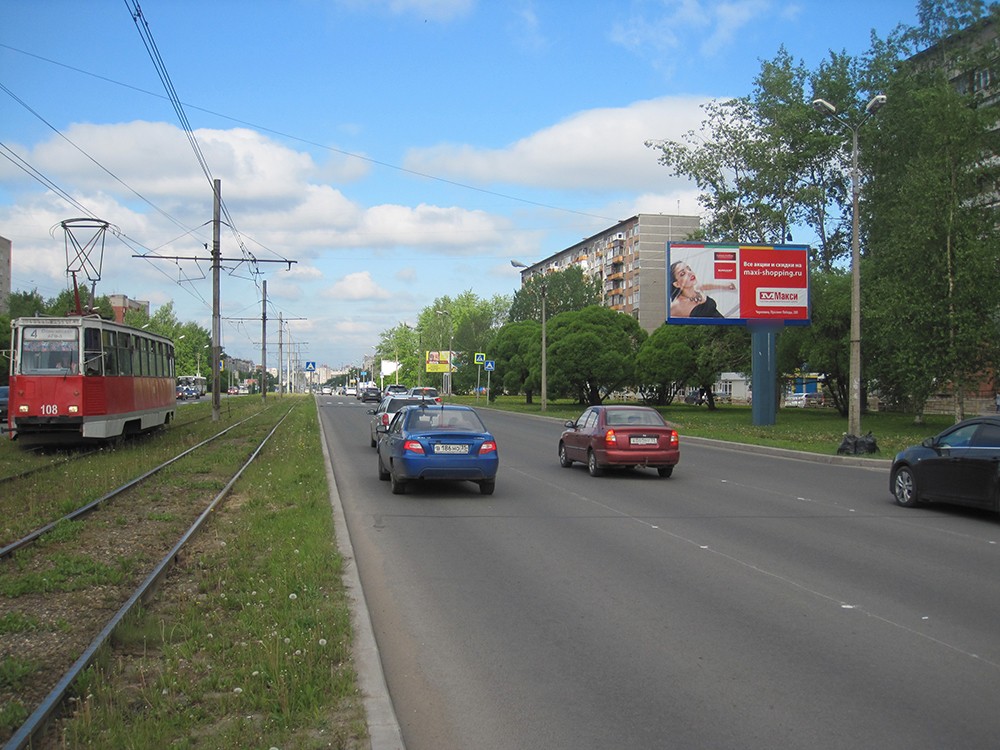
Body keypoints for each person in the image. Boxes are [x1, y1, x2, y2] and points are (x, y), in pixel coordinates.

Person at [669, 261, 736, 318]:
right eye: (682, 274)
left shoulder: (696, 289)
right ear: (676, 284)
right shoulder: (677, 305)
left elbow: (705, 286)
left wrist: (724, 286)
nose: (689, 273)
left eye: (689, 269)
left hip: (726, 326)